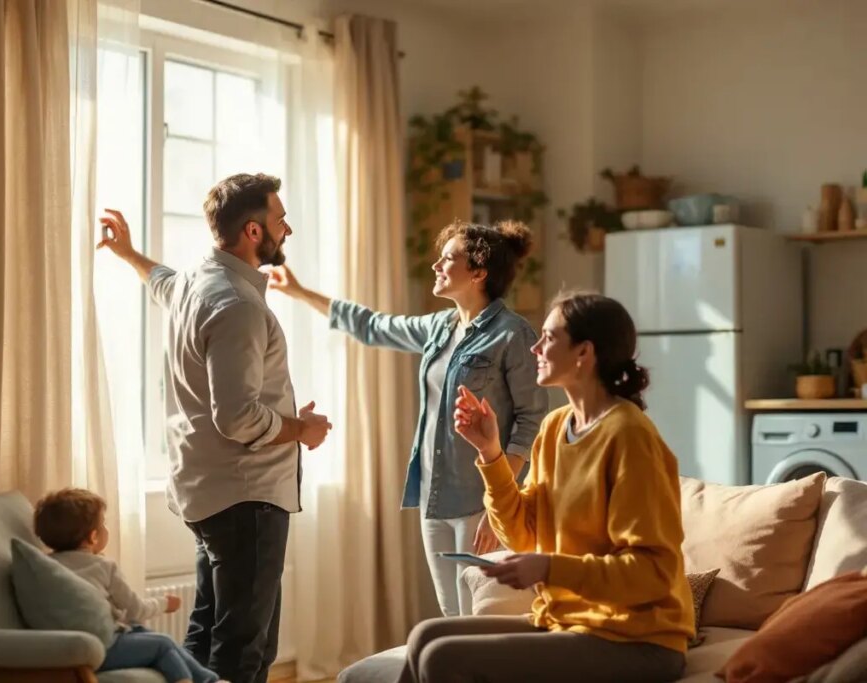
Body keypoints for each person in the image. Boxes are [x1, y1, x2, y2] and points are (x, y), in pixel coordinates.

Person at [98, 173, 333, 683]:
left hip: (208, 492)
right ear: (253, 231)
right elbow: (238, 417)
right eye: (280, 220)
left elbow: (160, 281)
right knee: (245, 646)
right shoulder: (239, 305)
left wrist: (130, 255)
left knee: (207, 632)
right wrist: (302, 429)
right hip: (246, 497)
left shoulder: (194, 282)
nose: (287, 229)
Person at [398, 292, 694, 683]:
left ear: (584, 352)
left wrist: (550, 567)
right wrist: (490, 452)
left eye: (549, 338)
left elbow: (651, 572)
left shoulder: (629, 436)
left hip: (638, 639)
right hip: (567, 621)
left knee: (443, 658)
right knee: (425, 636)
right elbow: (523, 534)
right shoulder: (555, 427)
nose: (535, 347)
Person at [266, 219, 547, 616]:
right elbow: (371, 325)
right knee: (452, 616)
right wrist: (298, 291)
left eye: (447, 258)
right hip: (435, 497)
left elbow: (532, 422)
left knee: (481, 618)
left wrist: (500, 505)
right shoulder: (440, 327)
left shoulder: (512, 334)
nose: (436, 265)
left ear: (478, 272)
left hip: (481, 503)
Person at [34, 488, 222, 683]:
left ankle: (210, 680)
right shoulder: (103, 566)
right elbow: (136, 610)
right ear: (93, 537)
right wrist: (165, 603)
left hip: (65, 651)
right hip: (102, 650)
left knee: (142, 632)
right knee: (163, 644)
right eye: (103, 523)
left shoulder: (46, 567)